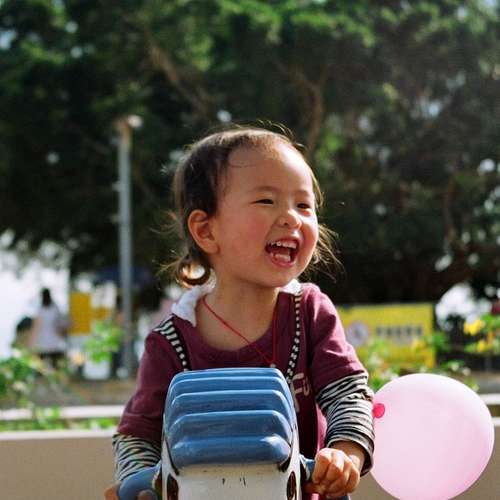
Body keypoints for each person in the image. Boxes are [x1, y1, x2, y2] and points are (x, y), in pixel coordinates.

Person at [105, 127, 374, 500]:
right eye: (266, 200)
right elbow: (138, 435)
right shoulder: (171, 342)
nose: (292, 218)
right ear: (206, 230)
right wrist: (142, 481)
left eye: (303, 205)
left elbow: (348, 392)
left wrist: (345, 452)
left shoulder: (310, 313)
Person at [29, 288, 68, 368]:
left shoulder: (40, 310)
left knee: (42, 370)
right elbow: (61, 324)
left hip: (43, 345)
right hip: (56, 344)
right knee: (57, 369)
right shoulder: (55, 308)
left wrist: (31, 344)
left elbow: (35, 328)